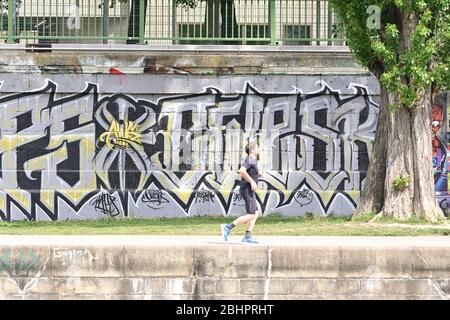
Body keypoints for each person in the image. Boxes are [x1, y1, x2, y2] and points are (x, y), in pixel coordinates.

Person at [221, 142, 260, 244]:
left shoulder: (252, 160)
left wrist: (257, 175)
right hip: (246, 189)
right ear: (252, 150)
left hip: (248, 189)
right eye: (257, 148)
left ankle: (247, 236)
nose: (259, 150)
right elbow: (242, 171)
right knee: (251, 215)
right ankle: (227, 227)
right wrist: (252, 181)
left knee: (255, 213)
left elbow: (247, 172)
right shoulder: (250, 159)